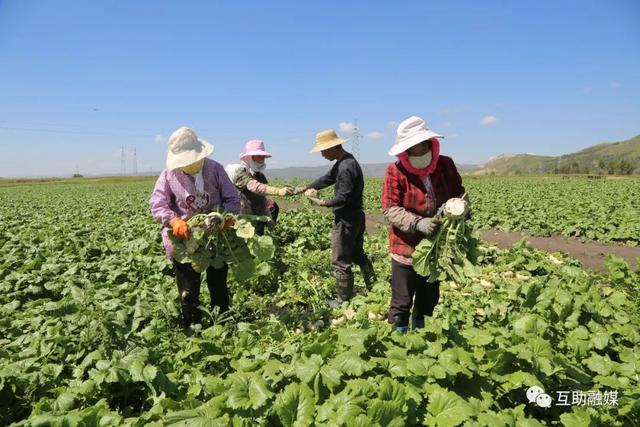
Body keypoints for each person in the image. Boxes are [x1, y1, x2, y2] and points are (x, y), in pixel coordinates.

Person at [150, 127, 241, 331]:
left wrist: (224, 217)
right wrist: (173, 221)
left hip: (215, 237)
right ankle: (192, 328)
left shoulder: (215, 169)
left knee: (218, 285)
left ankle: (223, 326)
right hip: (185, 241)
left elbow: (233, 199)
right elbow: (158, 203)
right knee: (188, 289)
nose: (189, 164)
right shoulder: (168, 175)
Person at [382, 116, 467, 333]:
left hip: (436, 248)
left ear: (429, 143)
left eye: (419, 147)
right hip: (406, 247)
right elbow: (390, 209)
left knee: (428, 299)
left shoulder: (445, 165)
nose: (416, 152)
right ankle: (397, 343)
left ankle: (421, 335)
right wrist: (417, 223)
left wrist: (462, 209)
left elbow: (459, 194)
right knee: (401, 301)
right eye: (410, 149)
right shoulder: (396, 170)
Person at [301, 129, 376, 306]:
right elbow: (327, 179)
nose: (322, 154)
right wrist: (304, 188)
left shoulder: (345, 167)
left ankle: (343, 301)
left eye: (323, 150)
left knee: (340, 259)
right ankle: (374, 287)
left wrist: (322, 202)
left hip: (345, 220)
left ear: (333, 147)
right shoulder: (345, 161)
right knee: (357, 254)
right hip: (357, 217)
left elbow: (344, 197)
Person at [225, 139, 295, 235]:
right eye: (259, 156)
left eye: (263, 157)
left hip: (258, 220)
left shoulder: (260, 176)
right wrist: (278, 191)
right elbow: (254, 187)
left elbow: (262, 198)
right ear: (250, 157)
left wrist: (268, 216)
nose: (262, 159)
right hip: (243, 221)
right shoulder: (240, 173)